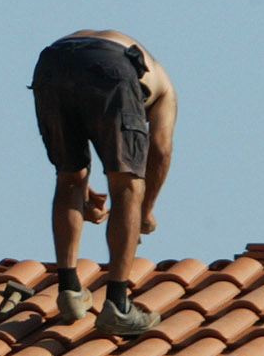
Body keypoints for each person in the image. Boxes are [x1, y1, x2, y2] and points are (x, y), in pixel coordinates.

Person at [29, 30, 177, 337]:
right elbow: (161, 149)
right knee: (127, 187)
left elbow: (77, 159)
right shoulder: (165, 91)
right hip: (110, 65)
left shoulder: (141, 65)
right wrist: (145, 213)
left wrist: (83, 191)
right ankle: (118, 306)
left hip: (52, 63)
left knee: (69, 178)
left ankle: (69, 291)